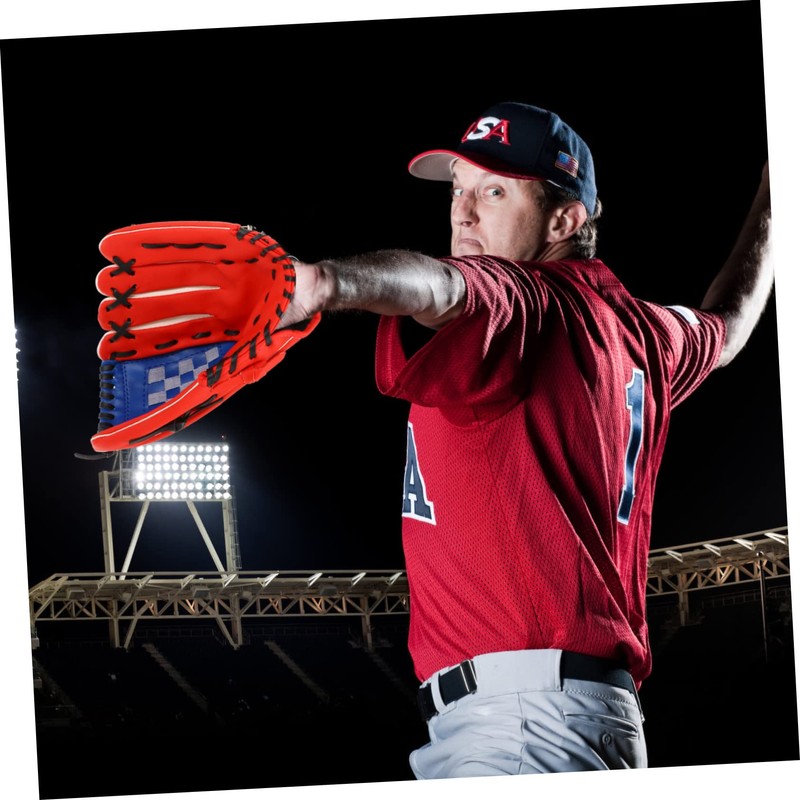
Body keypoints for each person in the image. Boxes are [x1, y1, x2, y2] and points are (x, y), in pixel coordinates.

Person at [277, 101, 773, 778]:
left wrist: (326, 283)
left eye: (494, 192)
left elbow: (442, 287)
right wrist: (775, 202)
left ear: (565, 221)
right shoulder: (648, 333)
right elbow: (729, 325)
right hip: (558, 717)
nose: (462, 213)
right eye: (457, 190)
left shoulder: (523, 303)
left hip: (523, 724)